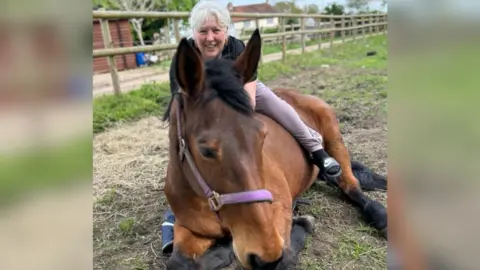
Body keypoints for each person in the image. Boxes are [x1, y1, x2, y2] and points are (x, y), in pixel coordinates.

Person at [161, 0, 342, 253]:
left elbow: (247, 101)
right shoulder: (184, 60)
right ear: (194, 33)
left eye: (216, 30)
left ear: (226, 30)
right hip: (206, 106)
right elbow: (182, 110)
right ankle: (176, 207)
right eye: (203, 31)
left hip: (240, 95)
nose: (210, 37)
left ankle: (318, 151)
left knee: (282, 109)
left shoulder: (236, 47)